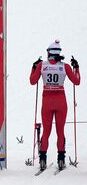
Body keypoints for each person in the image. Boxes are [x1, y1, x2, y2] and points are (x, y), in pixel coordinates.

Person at [30, 40, 80, 171]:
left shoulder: (42, 65)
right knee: (60, 131)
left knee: (46, 131)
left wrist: (33, 67)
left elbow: (32, 81)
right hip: (61, 102)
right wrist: (77, 68)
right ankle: (61, 159)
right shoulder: (65, 66)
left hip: (47, 101)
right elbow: (77, 81)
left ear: (49, 53)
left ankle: (42, 159)